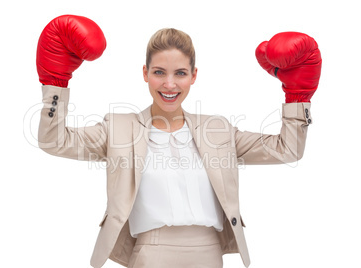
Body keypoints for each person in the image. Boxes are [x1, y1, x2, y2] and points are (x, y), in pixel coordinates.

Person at [36, 15, 321, 268]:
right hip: (150, 253)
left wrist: (298, 96)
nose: (169, 84)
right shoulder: (118, 128)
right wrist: (56, 83)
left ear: (193, 76)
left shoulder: (218, 129)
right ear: (145, 73)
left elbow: (288, 149)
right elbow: (54, 141)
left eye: (180, 73)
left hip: (209, 253)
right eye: (159, 72)